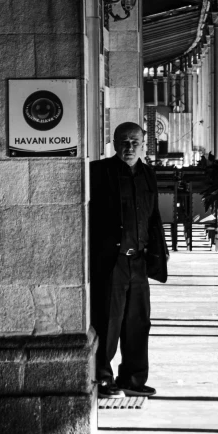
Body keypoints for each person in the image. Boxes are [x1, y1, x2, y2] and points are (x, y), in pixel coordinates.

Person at [89, 122, 169, 398]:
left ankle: (133, 379)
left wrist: (159, 254)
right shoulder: (98, 173)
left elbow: (153, 217)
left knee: (138, 322)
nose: (129, 147)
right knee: (108, 321)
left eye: (135, 142)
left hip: (139, 262)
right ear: (113, 142)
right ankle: (102, 378)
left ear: (144, 144)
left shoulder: (148, 174)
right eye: (124, 142)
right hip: (113, 262)